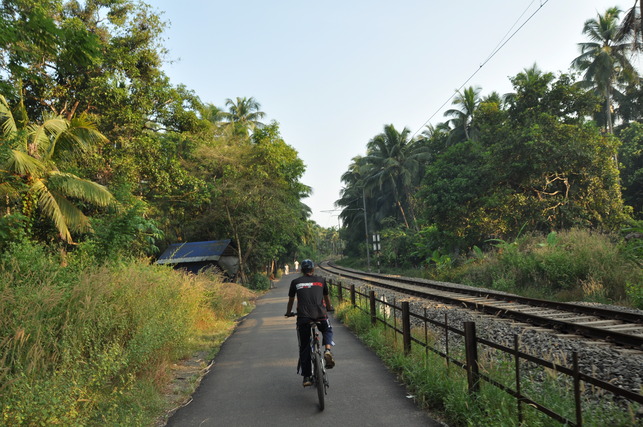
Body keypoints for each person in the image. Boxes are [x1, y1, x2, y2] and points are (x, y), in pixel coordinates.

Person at [285, 259, 335, 387]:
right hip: (321, 315)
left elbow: (291, 300)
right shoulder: (321, 280)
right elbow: (326, 298)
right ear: (313, 269)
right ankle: (327, 350)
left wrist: (288, 312)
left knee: (304, 346)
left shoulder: (295, 282)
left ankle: (307, 377)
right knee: (327, 329)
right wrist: (329, 308)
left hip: (303, 318)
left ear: (302, 270)